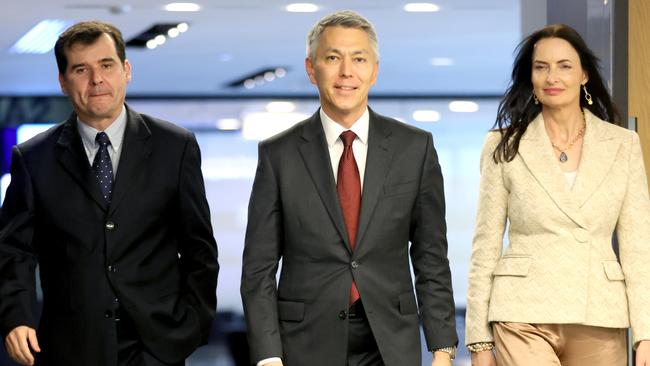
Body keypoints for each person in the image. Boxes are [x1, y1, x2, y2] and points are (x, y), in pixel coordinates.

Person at [240, 10, 457, 366]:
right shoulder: (278, 155)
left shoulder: (414, 148)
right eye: (332, 58)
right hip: (304, 343)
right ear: (312, 69)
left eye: (359, 59)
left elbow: (431, 257)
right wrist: (268, 356)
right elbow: (258, 268)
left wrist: (443, 348)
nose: (346, 72)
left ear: (374, 69)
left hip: (391, 341)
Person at [0, 21, 218, 366]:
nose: (96, 80)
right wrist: (17, 316)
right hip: (69, 347)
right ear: (63, 81)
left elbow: (199, 247)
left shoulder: (175, 147)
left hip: (157, 345)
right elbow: (13, 251)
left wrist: (194, 323)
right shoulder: (32, 159)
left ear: (126, 70)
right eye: (80, 69)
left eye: (106, 65)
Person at [465, 23, 650, 366]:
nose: (553, 77)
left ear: (583, 75)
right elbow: (485, 245)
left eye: (564, 66)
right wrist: (478, 340)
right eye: (541, 67)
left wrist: (646, 334)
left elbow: (639, 247)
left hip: (600, 312)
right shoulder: (504, 145)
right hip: (521, 311)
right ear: (531, 77)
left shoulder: (622, 145)